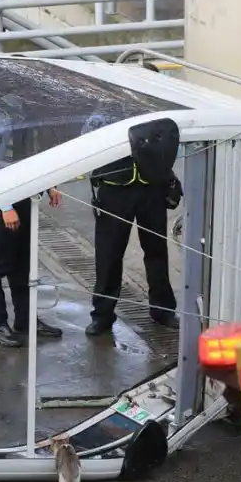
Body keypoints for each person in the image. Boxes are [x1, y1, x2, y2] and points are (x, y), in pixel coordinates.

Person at [83, 113, 182, 335]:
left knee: (157, 251)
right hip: (115, 189)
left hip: (152, 187)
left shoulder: (154, 111)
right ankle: (102, 315)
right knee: (108, 255)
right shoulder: (101, 112)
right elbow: (88, 140)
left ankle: (163, 310)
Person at [0, 106, 64, 347]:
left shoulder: (27, 112)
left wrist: (49, 185)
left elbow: (33, 155)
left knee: (22, 266)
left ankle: (25, 320)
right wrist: (5, 206)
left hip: (26, 197)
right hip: (4, 201)